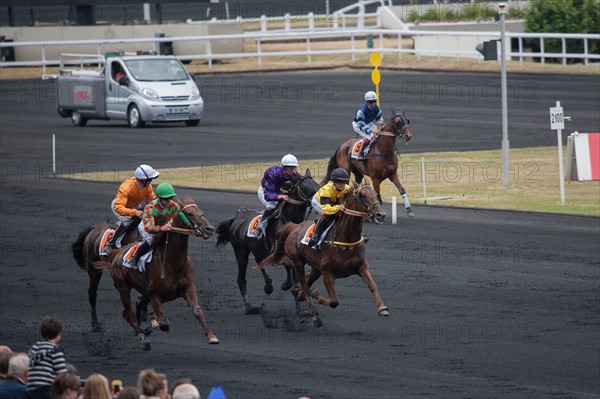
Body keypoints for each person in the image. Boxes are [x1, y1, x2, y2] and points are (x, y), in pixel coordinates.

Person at [105, 164, 160, 254]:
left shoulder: (147, 187)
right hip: (120, 207)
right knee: (128, 221)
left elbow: (151, 201)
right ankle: (111, 243)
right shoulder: (126, 188)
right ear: (143, 180)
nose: (151, 182)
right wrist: (135, 212)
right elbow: (118, 207)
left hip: (135, 206)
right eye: (149, 180)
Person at [128, 182, 180, 269]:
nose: (168, 201)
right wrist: (162, 228)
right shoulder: (150, 207)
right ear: (159, 198)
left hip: (164, 226)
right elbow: (149, 227)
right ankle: (135, 257)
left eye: (170, 198)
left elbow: (181, 214)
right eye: (166, 199)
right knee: (151, 239)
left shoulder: (173, 205)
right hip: (147, 227)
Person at [256, 154, 300, 235]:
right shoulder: (273, 173)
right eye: (289, 168)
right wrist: (279, 196)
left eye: (293, 168)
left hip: (281, 192)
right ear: (283, 167)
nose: (292, 170)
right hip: (266, 191)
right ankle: (261, 226)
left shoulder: (294, 175)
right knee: (272, 205)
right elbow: (268, 195)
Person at [307, 168, 351, 248]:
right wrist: (338, 207)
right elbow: (327, 209)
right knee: (327, 215)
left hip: (333, 203)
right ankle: (315, 235)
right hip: (318, 202)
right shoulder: (326, 190)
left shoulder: (347, 189)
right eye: (339, 182)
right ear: (334, 182)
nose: (342, 185)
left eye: (344, 182)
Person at [27, 316, 68, 399]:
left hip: (31, 389)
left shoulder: (34, 347)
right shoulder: (55, 350)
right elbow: (61, 373)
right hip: (47, 388)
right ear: (59, 334)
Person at [352, 91, 384, 157]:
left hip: (367, 123)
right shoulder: (361, 111)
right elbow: (361, 125)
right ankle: (361, 153)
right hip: (357, 124)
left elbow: (380, 120)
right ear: (367, 102)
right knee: (370, 136)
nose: (373, 103)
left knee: (381, 133)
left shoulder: (377, 109)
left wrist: (381, 127)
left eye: (374, 101)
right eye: (370, 102)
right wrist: (371, 130)